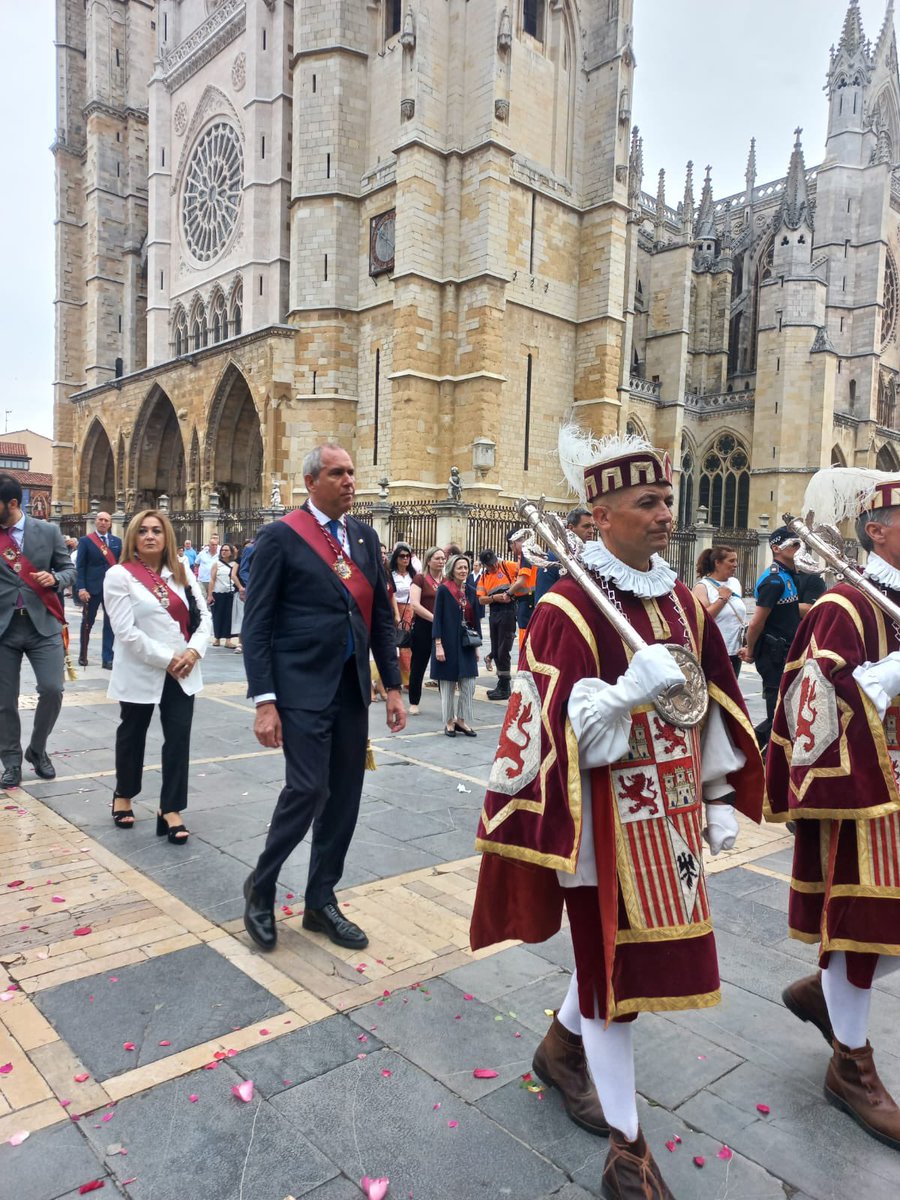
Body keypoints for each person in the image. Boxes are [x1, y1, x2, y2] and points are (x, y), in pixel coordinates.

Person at [469, 428, 763, 1199]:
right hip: (602, 823)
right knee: (613, 977)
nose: (666, 513)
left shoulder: (682, 600)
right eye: (648, 502)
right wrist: (626, 693)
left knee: (622, 963)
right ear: (599, 516)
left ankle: (559, 1049)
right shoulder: (566, 606)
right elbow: (550, 732)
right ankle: (628, 1151)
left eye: (667, 499)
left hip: (672, 818)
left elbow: (708, 702)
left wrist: (718, 795)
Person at [767, 464, 900, 1151]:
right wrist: (891, 676)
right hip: (866, 795)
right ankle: (851, 1064)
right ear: (877, 532)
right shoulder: (844, 606)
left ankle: (827, 992)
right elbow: (813, 701)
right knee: (861, 923)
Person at [241, 443, 406, 953]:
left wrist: (394, 687)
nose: (349, 481)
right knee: (308, 789)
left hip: (351, 689)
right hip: (300, 688)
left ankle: (320, 900)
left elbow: (379, 617)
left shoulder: (365, 537)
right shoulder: (281, 536)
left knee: (344, 798)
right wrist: (265, 701)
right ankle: (261, 885)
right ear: (311, 482)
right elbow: (257, 624)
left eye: (351, 472)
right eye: (337, 473)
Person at [102, 510, 211, 840]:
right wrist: (168, 659)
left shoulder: (181, 572)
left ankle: (171, 808)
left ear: (167, 537)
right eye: (143, 531)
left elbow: (203, 616)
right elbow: (125, 631)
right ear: (133, 537)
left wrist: (194, 651)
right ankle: (124, 793)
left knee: (178, 737)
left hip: (183, 669)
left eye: (157, 531)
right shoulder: (119, 575)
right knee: (132, 733)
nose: (150, 536)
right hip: (141, 668)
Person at [0, 474, 77, 788]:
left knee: (52, 689)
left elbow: (69, 569)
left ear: (12, 503)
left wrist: (56, 579)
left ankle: (37, 749)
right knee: (4, 700)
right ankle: (11, 761)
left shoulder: (48, 531)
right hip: (4, 629)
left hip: (42, 625)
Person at [739, 526, 802, 749]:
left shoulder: (788, 576)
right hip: (774, 653)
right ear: (776, 548)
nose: (798, 548)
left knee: (787, 708)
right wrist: (750, 650)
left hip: (787, 651)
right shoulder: (773, 581)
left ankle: (755, 746)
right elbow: (756, 622)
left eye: (799, 544)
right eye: (793, 544)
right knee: (777, 710)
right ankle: (760, 751)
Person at [432, 553, 479, 738]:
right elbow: (437, 619)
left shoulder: (471, 591)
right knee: (448, 683)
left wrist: (476, 647)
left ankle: (462, 719)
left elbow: (475, 620)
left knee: (469, 682)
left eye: (466, 567)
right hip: (447, 642)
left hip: (466, 643)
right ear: (452, 569)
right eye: (460, 567)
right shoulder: (444, 590)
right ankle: (449, 721)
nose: (463, 570)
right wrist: (438, 644)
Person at [75, 511, 122, 669]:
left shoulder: (117, 542)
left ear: (110, 523)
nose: (103, 522)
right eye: (100, 519)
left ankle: (107, 658)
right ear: (96, 521)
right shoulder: (86, 541)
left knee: (110, 624)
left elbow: (120, 565)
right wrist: (81, 588)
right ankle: (83, 654)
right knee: (87, 623)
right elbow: (80, 566)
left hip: (111, 590)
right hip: (91, 589)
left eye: (106, 520)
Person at [692, 545, 747, 676]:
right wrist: (722, 599)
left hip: (735, 651)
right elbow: (704, 618)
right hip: (715, 652)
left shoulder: (735, 582)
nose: (735, 565)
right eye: (731, 561)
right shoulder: (702, 587)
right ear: (717, 563)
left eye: (736, 561)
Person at [407, 546, 446, 714]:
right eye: (437, 558)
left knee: (444, 667)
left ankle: (446, 704)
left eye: (443, 558)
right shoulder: (420, 579)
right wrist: (434, 618)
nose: (441, 561)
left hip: (443, 628)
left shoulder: (446, 580)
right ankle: (414, 702)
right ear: (428, 561)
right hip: (423, 626)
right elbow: (415, 605)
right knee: (418, 665)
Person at [476, 548, 519, 701]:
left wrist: (511, 593)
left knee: (503, 651)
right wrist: (495, 598)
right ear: (485, 565)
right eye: (490, 565)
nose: (494, 566)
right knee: (495, 650)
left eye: (494, 562)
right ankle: (501, 684)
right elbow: (481, 600)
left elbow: (524, 576)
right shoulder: (484, 577)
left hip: (508, 612)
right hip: (494, 613)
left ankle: (505, 686)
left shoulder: (508, 566)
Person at [533, 507, 596, 604]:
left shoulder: (593, 558)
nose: (592, 531)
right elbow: (542, 601)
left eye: (592, 526)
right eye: (586, 526)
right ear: (571, 528)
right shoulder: (552, 558)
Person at [389, 542, 416, 691]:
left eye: (408, 556)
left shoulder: (413, 574)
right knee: (397, 644)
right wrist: (397, 615)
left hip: (411, 610)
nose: (405, 559)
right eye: (402, 556)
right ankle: (397, 678)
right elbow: (392, 595)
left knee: (408, 645)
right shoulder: (391, 575)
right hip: (396, 610)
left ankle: (408, 678)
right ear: (396, 558)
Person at [208, 542, 239, 648]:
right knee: (217, 616)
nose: (224, 552)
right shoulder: (217, 564)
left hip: (230, 593)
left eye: (226, 550)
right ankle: (217, 638)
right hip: (218, 593)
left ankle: (228, 640)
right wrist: (210, 594)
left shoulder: (235, 564)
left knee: (229, 617)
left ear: (231, 552)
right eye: (222, 550)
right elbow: (212, 579)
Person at [194, 534, 220, 599]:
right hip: (202, 580)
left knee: (212, 598)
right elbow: (196, 564)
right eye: (213, 545)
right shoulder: (202, 553)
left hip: (215, 580)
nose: (214, 546)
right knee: (202, 598)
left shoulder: (220, 555)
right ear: (209, 545)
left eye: (216, 545)